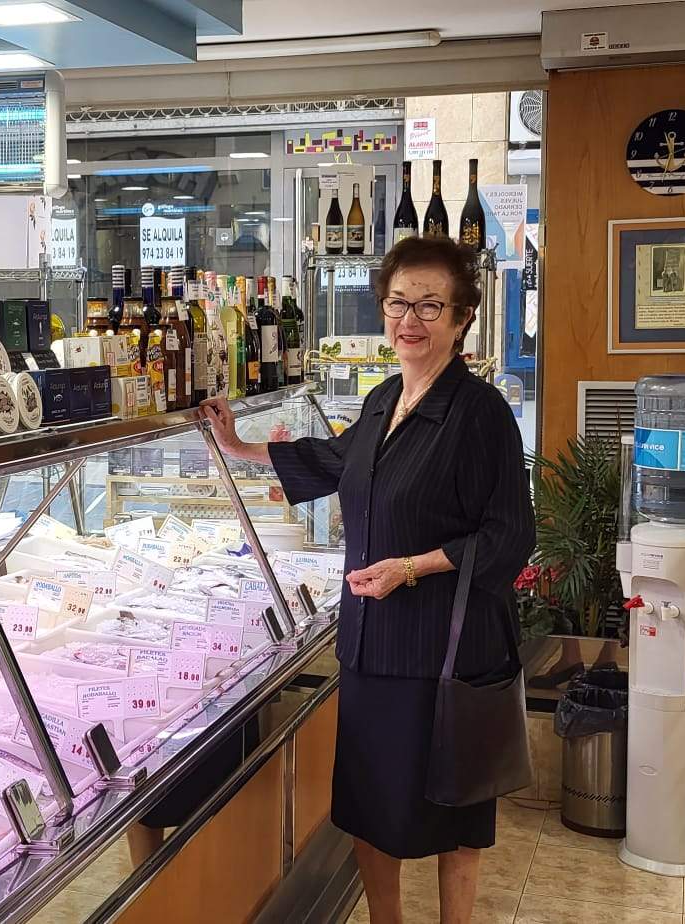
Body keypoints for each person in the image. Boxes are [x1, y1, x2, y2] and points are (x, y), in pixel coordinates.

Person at [200, 236, 533, 924]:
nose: (410, 320)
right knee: (369, 811)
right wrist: (238, 446)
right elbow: (330, 461)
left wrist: (410, 568)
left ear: (463, 315)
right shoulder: (385, 399)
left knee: (454, 815)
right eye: (398, 303)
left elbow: (509, 536)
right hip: (371, 649)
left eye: (431, 306)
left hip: (446, 651)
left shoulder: (480, 414)